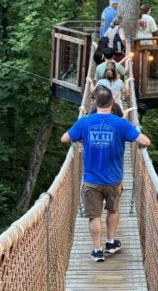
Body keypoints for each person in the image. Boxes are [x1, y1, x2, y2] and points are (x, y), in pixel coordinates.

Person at [61, 85, 150, 262]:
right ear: (113, 102)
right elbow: (145, 141)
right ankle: (110, 242)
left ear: (94, 102)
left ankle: (97, 250)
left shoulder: (84, 122)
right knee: (113, 210)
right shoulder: (121, 124)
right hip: (113, 179)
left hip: (91, 179)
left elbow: (64, 138)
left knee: (94, 215)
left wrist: (81, 138)